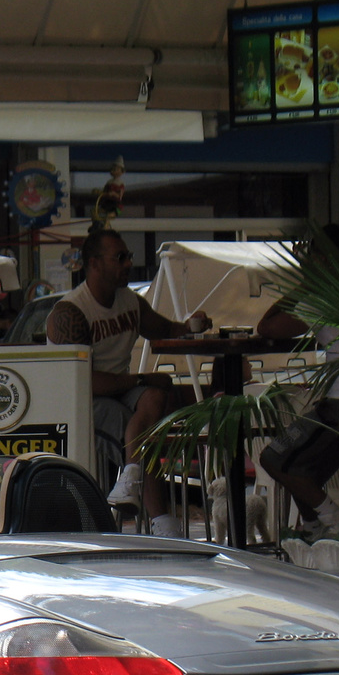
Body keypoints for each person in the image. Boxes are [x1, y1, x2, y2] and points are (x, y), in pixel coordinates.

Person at [46, 227, 210, 538]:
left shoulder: (131, 302)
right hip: (80, 402)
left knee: (154, 397)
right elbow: (81, 382)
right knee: (136, 417)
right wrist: (141, 378)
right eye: (120, 257)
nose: (128, 264)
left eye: (129, 256)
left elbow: (166, 329)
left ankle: (132, 477)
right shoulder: (70, 313)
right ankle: (162, 521)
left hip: (120, 389)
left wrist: (191, 326)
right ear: (94, 264)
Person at [255, 224, 339, 540]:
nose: (304, 261)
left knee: (272, 458)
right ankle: (313, 527)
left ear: (322, 260)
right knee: (300, 469)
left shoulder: (324, 296)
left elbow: (267, 327)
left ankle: (337, 522)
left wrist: (304, 286)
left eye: (309, 256)